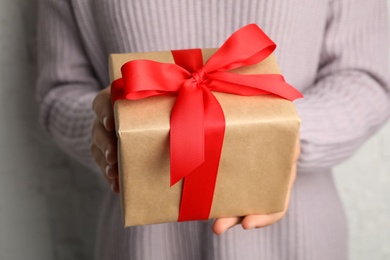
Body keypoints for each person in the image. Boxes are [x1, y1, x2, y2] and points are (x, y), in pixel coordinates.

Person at [36, 0, 390, 259]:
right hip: (143, 246)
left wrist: (284, 137)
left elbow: (368, 77)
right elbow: (58, 91)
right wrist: (105, 129)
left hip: (295, 241)